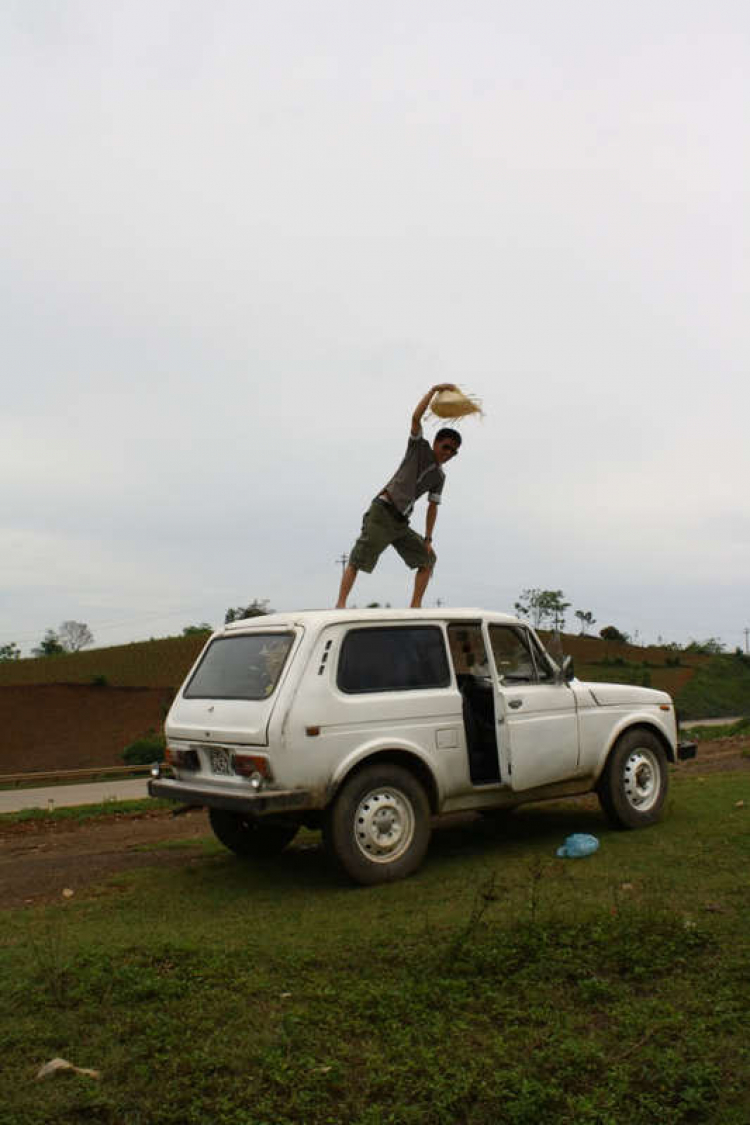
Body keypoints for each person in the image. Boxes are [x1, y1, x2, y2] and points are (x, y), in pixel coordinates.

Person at [336, 384, 462, 608]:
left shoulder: (439, 477)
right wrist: (433, 391)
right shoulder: (419, 448)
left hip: (401, 522)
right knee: (358, 559)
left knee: (428, 560)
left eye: (453, 451)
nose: (448, 453)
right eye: (446, 447)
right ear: (436, 443)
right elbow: (415, 418)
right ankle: (340, 604)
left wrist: (428, 538)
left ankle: (415, 607)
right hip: (383, 512)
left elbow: (433, 507)